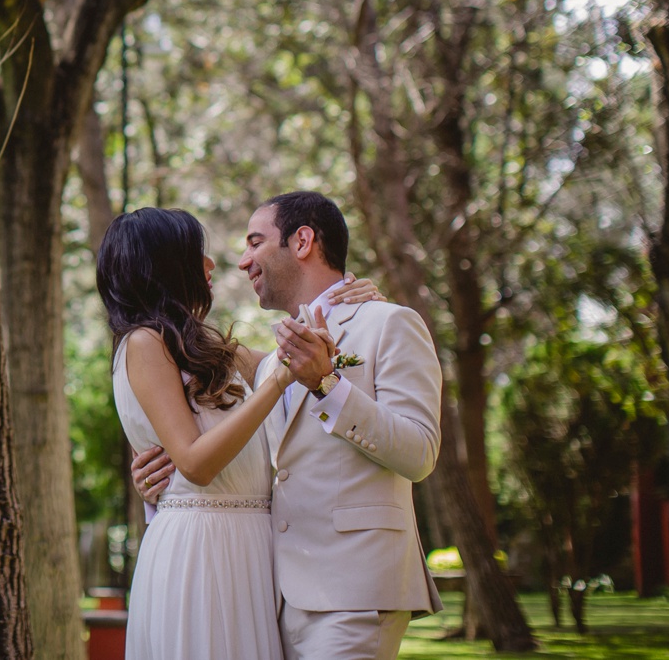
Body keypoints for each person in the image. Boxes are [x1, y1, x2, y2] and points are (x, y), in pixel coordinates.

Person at [131, 191, 443, 660]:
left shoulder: (389, 323)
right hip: (275, 598)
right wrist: (167, 490)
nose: (242, 261)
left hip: (355, 593)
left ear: (302, 241)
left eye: (255, 242)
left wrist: (329, 385)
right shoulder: (272, 360)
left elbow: (419, 454)